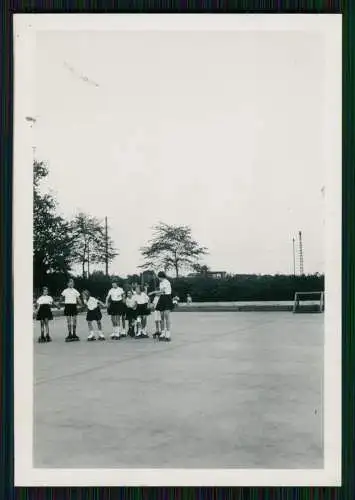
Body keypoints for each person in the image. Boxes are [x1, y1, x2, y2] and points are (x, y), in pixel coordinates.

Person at [149, 271, 173, 342]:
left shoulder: (166, 282)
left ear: (161, 276)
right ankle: (163, 333)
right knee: (162, 316)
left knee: (166, 316)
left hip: (167, 298)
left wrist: (153, 292)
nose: (158, 278)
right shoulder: (161, 283)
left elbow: (162, 291)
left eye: (158, 277)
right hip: (162, 298)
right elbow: (161, 292)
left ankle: (168, 334)